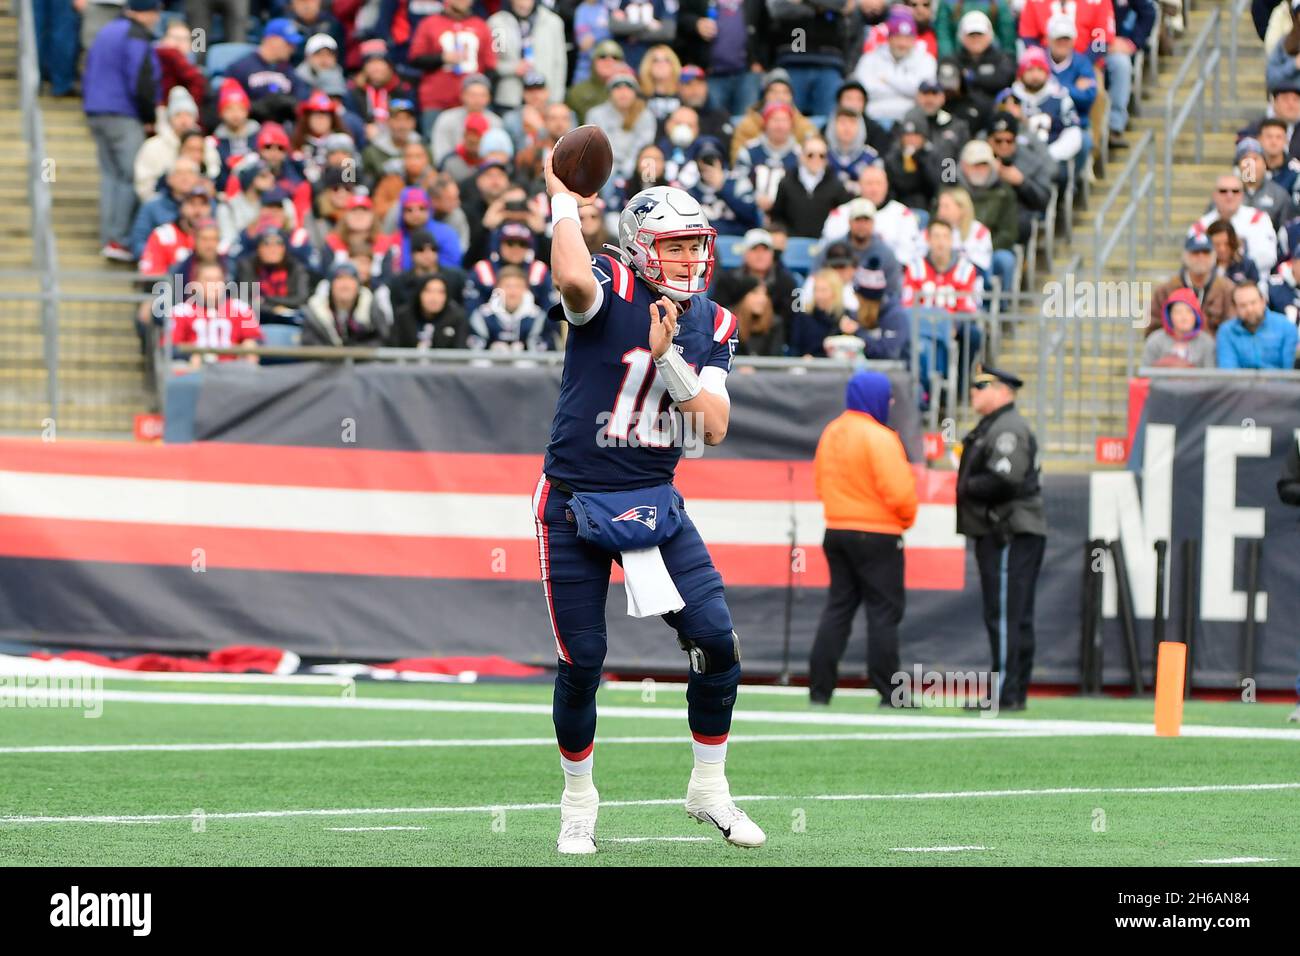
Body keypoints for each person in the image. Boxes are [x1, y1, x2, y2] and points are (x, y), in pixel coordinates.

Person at [537, 160, 764, 853]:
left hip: (655, 501)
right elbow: (572, 279)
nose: (690, 257)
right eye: (675, 244)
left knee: (717, 642)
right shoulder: (610, 283)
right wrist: (562, 201)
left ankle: (709, 787)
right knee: (584, 659)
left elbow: (712, 427)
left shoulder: (714, 320)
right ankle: (579, 800)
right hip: (576, 499)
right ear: (641, 246)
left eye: (697, 243)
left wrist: (669, 359)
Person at [808, 370, 918, 705]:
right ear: (876, 398)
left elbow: (819, 483)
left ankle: (820, 690)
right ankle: (889, 693)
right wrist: (905, 520)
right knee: (883, 614)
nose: (891, 403)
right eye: (888, 398)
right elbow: (900, 493)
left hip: (836, 530)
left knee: (838, 609)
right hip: (879, 535)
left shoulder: (831, 431)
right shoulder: (880, 437)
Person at [955, 365, 1046, 712]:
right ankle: (1013, 691)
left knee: (1007, 614)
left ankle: (1005, 691)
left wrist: (967, 486)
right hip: (1007, 530)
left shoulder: (1008, 428)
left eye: (981, 385)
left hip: (1009, 531)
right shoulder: (996, 425)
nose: (973, 392)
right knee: (1012, 614)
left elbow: (1005, 478)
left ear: (1003, 391)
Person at [83, 0, 162, 262]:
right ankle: (119, 238)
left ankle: (110, 238)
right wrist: (149, 116)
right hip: (122, 112)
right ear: (148, 12)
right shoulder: (135, 35)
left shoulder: (108, 29)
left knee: (111, 176)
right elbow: (141, 80)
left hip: (96, 111)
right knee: (131, 175)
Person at [1217, 282, 1299, 369]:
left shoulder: (1286, 327)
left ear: (1263, 302)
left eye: (1253, 303)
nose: (1249, 309)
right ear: (1235, 309)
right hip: (1241, 382)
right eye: (1242, 305)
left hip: (1279, 382)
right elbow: (1229, 372)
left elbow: (1290, 371)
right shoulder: (1226, 332)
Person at [1140, 288, 1217, 368]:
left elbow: (1211, 377)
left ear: (1196, 316)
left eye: (1189, 311)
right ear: (1169, 316)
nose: (1184, 317)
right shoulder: (1155, 341)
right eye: (1178, 312)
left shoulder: (1207, 343)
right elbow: (1145, 374)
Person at [390, 274, 469, 349]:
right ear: (419, 293)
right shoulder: (403, 316)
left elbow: (461, 352)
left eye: (441, 292)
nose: (434, 298)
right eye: (428, 291)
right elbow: (392, 349)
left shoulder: (457, 317)